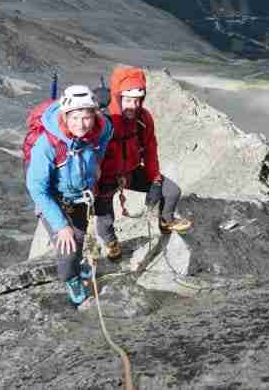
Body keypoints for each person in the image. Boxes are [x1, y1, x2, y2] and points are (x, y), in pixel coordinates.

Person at [26, 85, 113, 306]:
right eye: (75, 118)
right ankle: (71, 279)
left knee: (81, 238)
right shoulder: (48, 144)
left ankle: (78, 266)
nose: (81, 124)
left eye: (86, 118)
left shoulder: (100, 133)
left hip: (80, 198)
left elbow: (98, 159)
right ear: (65, 116)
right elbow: (37, 188)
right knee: (68, 245)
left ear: (94, 116)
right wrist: (59, 224)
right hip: (55, 199)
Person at [94, 66, 192, 260]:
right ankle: (111, 242)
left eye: (138, 100)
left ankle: (166, 221)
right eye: (129, 100)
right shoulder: (104, 122)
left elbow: (150, 151)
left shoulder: (143, 119)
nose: (134, 105)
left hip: (130, 172)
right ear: (118, 98)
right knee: (105, 217)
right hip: (105, 177)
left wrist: (155, 181)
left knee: (171, 191)